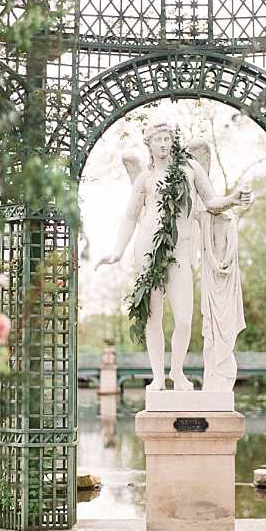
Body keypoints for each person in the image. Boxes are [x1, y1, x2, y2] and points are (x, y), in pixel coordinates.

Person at [95, 119, 251, 390]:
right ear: (150, 145)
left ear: (173, 141)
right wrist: (117, 252)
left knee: (183, 317)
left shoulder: (191, 168)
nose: (164, 144)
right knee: (153, 316)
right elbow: (131, 216)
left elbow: (211, 202)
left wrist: (233, 198)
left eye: (168, 139)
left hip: (180, 250)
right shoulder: (145, 178)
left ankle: (177, 372)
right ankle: (157, 376)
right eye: (159, 140)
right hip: (147, 247)